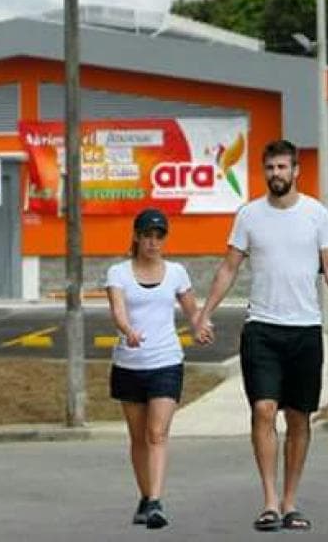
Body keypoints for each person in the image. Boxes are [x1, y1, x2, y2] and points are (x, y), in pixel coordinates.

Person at [193, 139, 328, 533]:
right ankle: (270, 502)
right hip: (262, 329)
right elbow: (228, 269)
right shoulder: (249, 216)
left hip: (305, 330)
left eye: (282, 168)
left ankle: (291, 501)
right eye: (270, 168)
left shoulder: (316, 215)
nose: (276, 174)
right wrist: (204, 314)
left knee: (299, 418)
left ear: (296, 171)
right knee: (263, 410)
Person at [105, 208, 213, 530]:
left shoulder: (177, 272)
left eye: (159, 236)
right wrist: (128, 330)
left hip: (166, 361)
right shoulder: (119, 273)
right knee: (138, 437)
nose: (153, 242)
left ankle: (155, 502)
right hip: (129, 363)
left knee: (157, 433)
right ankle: (145, 496)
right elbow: (118, 310)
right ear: (136, 236)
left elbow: (192, 311)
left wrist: (199, 327)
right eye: (147, 235)